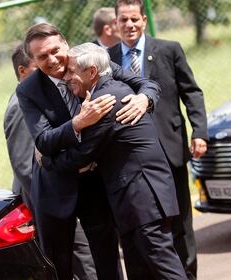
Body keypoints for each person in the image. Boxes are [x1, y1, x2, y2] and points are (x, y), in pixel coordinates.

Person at [16, 22, 160, 280]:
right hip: (55, 187)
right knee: (59, 264)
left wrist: (144, 99)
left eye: (55, 50)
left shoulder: (90, 62)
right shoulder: (28, 90)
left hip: (97, 182)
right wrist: (78, 123)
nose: (51, 60)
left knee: (107, 258)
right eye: (42, 57)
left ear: (66, 45)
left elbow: (145, 83)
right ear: (33, 60)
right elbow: (43, 141)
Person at [41, 42, 187, 280]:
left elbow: (83, 154)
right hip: (134, 202)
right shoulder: (107, 90)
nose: (67, 77)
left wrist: (46, 161)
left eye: (72, 71)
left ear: (91, 72)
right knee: (141, 272)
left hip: (143, 200)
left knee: (165, 270)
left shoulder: (105, 100)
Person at [108, 1, 208, 278]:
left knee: (180, 222)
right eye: (123, 20)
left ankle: (187, 274)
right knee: (145, 224)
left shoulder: (168, 49)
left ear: (143, 20)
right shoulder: (108, 58)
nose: (129, 25)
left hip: (170, 149)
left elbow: (192, 92)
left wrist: (199, 131)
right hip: (130, 159)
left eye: (134, 19)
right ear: (115, 23)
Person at [4, 44, 97, 280]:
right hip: (54, 199)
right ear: (23, 71)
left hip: (68, 192)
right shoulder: (20, 104)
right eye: (40, 64)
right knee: (82, 261)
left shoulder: (56, 90)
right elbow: (25, 166)